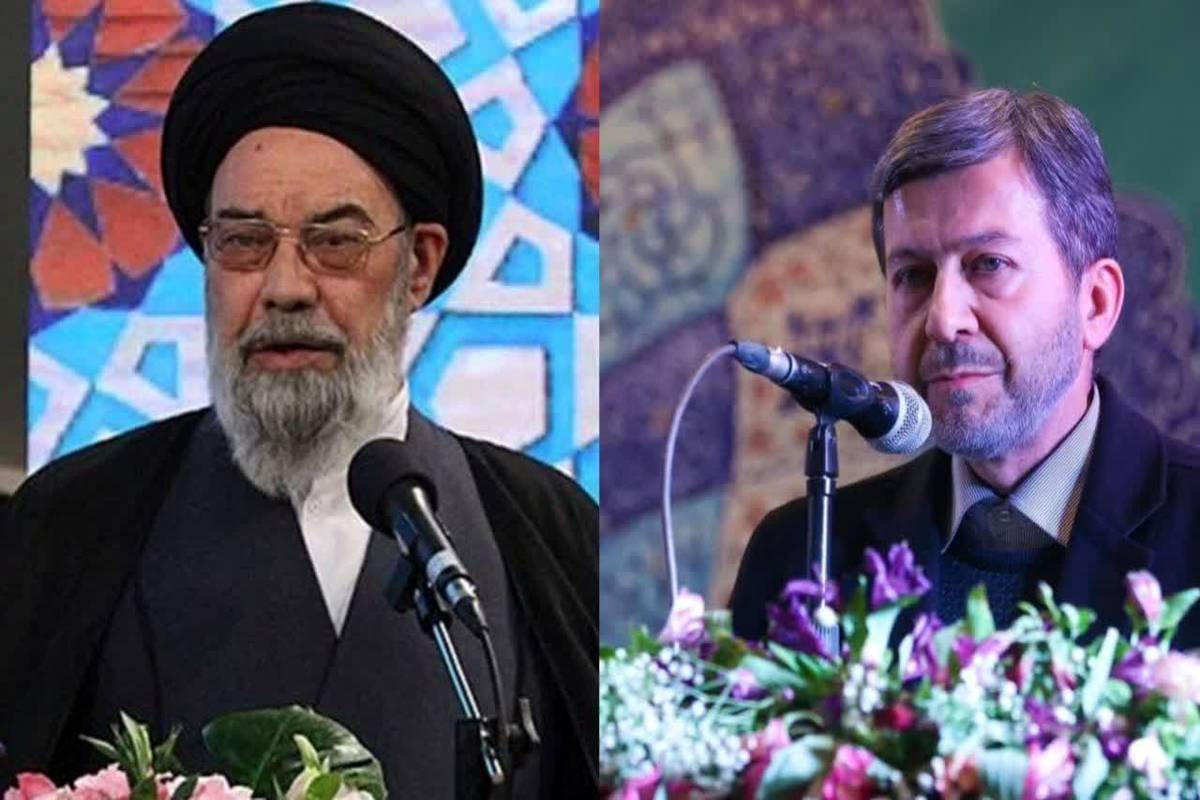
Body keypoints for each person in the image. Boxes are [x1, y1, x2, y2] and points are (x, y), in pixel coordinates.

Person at [0, 5, 597, 797]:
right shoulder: (70, 523)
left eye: (334, 242)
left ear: (419, 266)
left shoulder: (549, 532)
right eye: (244, 242)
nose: (284, 287)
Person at [731, 88, 1200, 649]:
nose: (942, 319)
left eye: (989, 264)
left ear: (1095, 303)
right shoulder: (800, 558)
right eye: (913, 276)